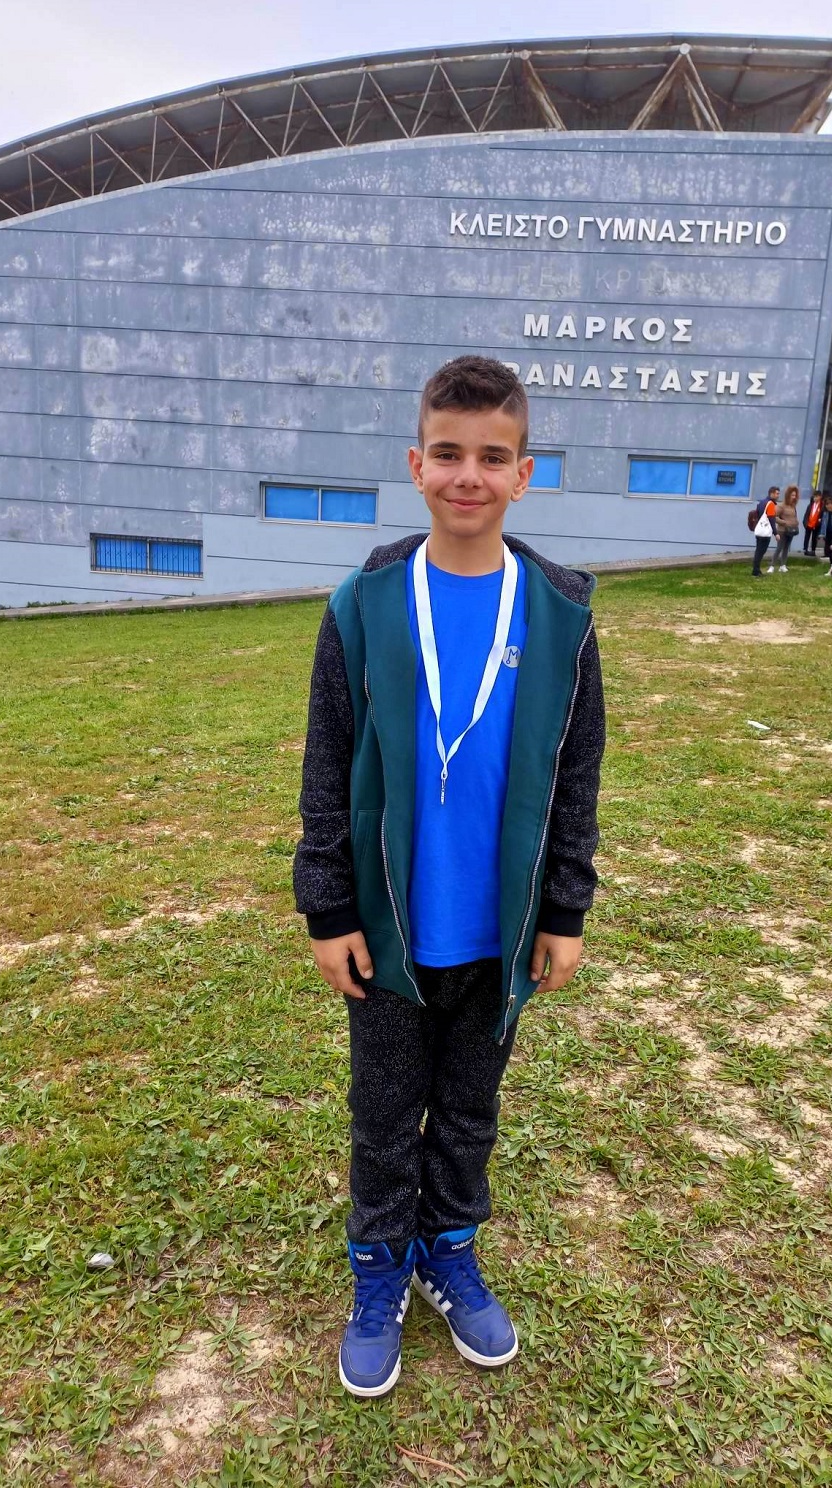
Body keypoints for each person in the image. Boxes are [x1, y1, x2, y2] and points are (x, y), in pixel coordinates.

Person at [293, 355, 605, 1399]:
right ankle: (379, 1269)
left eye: (493, 456)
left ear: (525, 473)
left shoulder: (560, 611)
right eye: (449, 453)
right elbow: (327, 763)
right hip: (390, 927)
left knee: (470, 1109)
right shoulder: (365, 602)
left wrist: (564, 906)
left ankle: (450, 1250)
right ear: (415, 463)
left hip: (498, 927)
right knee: (384, 1114)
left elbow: (576, 769)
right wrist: (327, 905)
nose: (469, 475)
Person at [768, 485, 800, 572]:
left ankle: (783, 565)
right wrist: (784, 522)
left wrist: (796, 522)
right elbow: (774, 517)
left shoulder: (793, 506)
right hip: (782, 530)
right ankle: (772, 566)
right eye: (792, 495)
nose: (794, 497)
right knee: (779, 548)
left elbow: (794, 516)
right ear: (788, 495)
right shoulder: (781, 506)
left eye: (795, 495)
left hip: (791, 530)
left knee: (786, 548)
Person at [751, 486, 779, 576]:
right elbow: (771, 519)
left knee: (758, 550)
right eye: (777, 493)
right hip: (765, 532)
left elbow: (758, 515)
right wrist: (776, 533)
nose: (778, 495)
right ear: (771, 493)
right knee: (761, 551)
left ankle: (756, 569)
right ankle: (756, 571)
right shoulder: (770, 504)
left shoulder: (761, 502)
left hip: (759, 530)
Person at [801, 487, 822, 556]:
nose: (815, 498)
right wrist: (805, 523)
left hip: (816, 524)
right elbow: (806, 514)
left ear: (820, 497)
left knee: (814, 538)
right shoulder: (810, 505)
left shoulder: (822, 506)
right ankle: (805, 549)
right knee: (807, 537)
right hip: (809, 524)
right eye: (814, 497)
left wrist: (819, 521)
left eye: (816, 497)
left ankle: (813, 550)